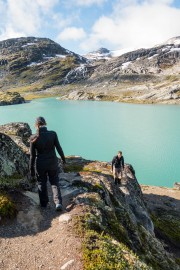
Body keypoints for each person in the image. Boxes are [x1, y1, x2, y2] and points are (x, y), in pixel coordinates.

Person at [29, 116, 66, 211]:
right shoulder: (53, 134)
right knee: (54, 182)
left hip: (40, 164)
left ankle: (44, 204)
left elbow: (32, 156)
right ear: (45, 123)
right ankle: (58, 203)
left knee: (41, 183)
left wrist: (32, 170)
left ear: (36, 125)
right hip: (52, 162)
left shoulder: (33, 137)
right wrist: (63, 159)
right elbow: (59, 148)